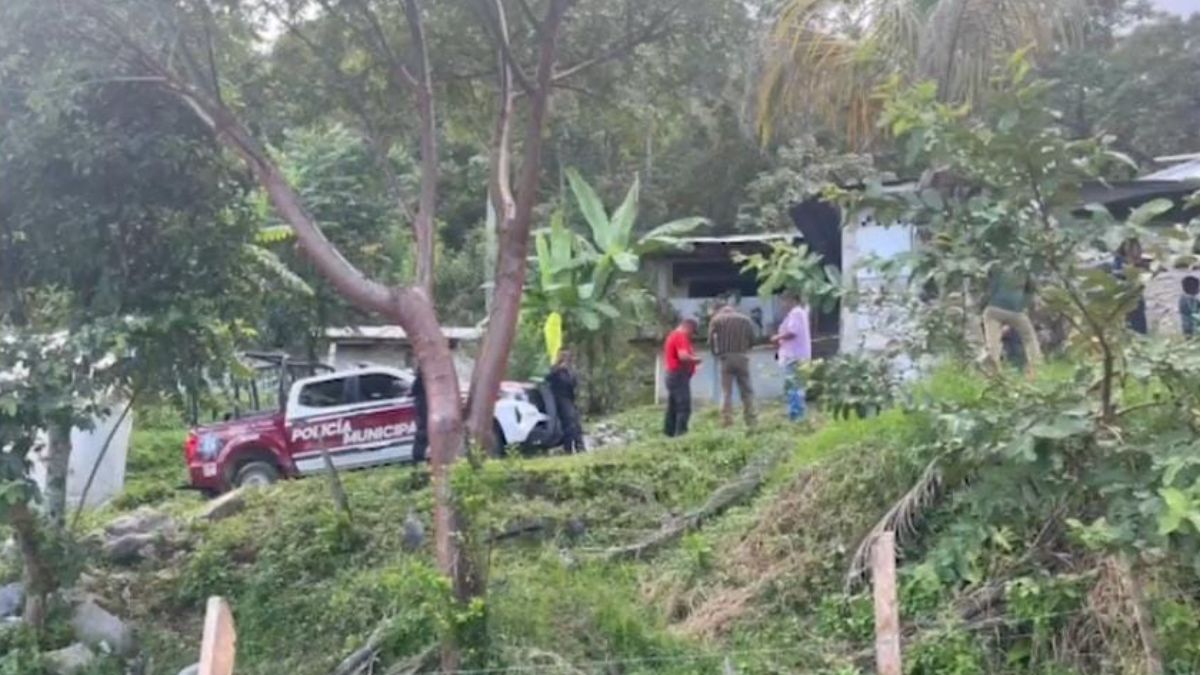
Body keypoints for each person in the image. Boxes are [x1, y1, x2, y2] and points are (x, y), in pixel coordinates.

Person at [982, 266, 1042, 376]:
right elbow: (1031, 291)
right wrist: (1023, 305)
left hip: (995, 308)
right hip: (1014, 311)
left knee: (993, 341)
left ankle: (992, 369)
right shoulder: (1025, 270)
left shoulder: (996, 267)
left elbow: (985, 284)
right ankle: (1036, 366)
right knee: (1030, 339)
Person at [708, 303, 757, 428]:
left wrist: (716, 353)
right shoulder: (745, 320)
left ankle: (727, 421)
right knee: (746, 390)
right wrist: (746, 349)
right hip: (742, 356)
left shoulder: (717, 319)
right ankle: (750, 420)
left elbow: (710, 340)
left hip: (726, 358)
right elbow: (753, 339)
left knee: (726, 392)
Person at [771, 292, 811, 422]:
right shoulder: (800, 312)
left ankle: (796, 415)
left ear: (792, 300)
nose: (782, 304)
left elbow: (792, 332)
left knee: (794, 385)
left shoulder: (795, 313)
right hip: (799, 355)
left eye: (784, 301)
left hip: (794, 356)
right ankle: (799, 415)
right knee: (798, 385)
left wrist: (777, 337)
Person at [663, 317, 701, 437]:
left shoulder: (672, 335)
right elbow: (683, 357)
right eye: (692, 331)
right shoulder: (680, 336)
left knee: (673, 406)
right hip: (678, 375)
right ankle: (681, 434)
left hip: (672, 375)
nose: (692, 335)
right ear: (688, 327)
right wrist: (696, 360)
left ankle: (669, 432)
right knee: (684, 406)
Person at [546, 349, 585, 453]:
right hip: (560, 399)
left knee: (576, 423)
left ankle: (580, 446)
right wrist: (559, 369)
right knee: (569, 423)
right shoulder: (556, 370)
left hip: (570, 399)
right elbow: (549, 378)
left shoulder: (570, 370)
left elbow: (574, 383)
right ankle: (568, 448)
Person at [1113, 239, 1149, 335]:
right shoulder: (1119, 259)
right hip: (1125, 292)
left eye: (1137, 248)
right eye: (1133, 248)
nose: (1135, 251)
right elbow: (1116, 273)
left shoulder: (1139, 261)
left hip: (1137, 291)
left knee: (1139, 315)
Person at [411, 367, 428, 462]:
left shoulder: (419, 382)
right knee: (422, 433)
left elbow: (413, 391)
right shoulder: (422, 382)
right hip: (423, 409)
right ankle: (419, 457)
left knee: (422, 432)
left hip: (422, 409)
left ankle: (418, 457)